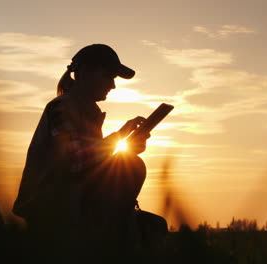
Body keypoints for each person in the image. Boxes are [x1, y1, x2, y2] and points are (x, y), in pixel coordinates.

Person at [12, 44, 163, 241]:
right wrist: (121, 143)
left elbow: (89, 163)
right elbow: (76, 162)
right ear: (85, 73)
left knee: (152, 225)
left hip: (75, 206)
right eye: (108, 76)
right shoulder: (61, 108)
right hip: (52, 212)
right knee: (131, 167)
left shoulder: (86, 113)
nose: (113, 85)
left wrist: (125, 138)